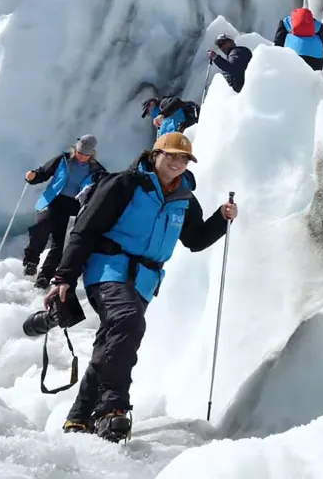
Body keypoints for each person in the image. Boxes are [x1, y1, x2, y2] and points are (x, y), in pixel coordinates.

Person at [46, 132, 238, 442]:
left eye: (184, 158)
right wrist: (64, 277)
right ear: (155, 155)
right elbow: (85, 230)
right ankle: (112, 410)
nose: (178, 162)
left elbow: (195, 240)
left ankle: (78, 419)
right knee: (127, 320)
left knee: (110, 344)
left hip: (145, 280)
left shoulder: (184, 200)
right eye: (171, 155)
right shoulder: (125, 185)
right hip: (108, 268)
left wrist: (220, 218)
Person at [22, 135, 106, 288]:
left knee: (59, 243)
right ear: (76, 149)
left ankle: (45, 277)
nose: (82, 157)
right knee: (41, 225)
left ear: (92, 154)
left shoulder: (97, 170)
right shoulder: (63, 160)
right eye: (80, 153)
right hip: (53, 199)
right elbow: (43, 172)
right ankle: (31, 261)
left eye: (86, 155)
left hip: (72, 206)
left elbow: (102, 187)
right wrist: (33, 176)